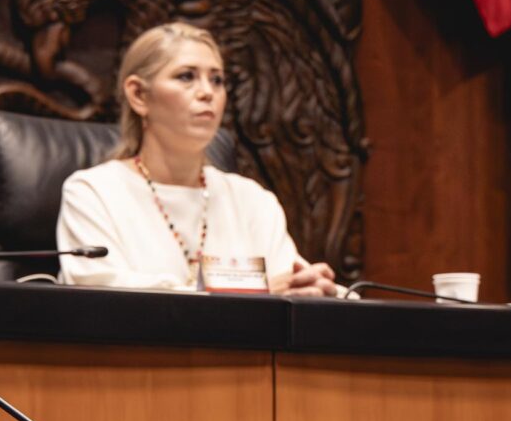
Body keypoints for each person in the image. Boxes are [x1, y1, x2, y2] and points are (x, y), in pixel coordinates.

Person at [55, 22, 340, 295]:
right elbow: (100, 298)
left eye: (217, 80)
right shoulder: (92, 193)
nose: (207, 92)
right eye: (186, 76)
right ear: (139, 94)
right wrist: (256, 292)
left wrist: (315, 287)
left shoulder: (252, 201)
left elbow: (287, 285)